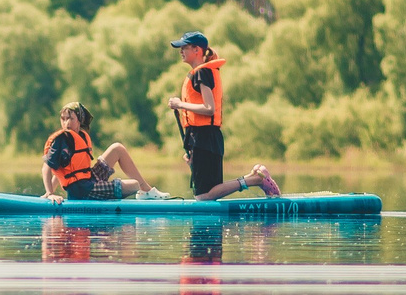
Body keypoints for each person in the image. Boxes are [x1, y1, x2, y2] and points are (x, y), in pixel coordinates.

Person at [165, 32, 282, 200]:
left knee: (204, 196)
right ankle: (253, 177)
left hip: (205, 138)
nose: (180, 51)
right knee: (205, 193)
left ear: (197, 50)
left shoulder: (202, 73)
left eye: (184, 47)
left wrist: (179, 104)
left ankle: (255, 179)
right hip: (201, 138)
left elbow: (209, 108)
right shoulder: (201, 72)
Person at [42, 104, 156, 200]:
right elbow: (46, 168)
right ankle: (103, 197)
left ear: (79, 120)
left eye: (70, 118)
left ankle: (147, 191)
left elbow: (65, 170)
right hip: (82, 190)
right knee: (134, 185)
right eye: (63, 119)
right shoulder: (61, 139)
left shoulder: (81, 136)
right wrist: (50, 193)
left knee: (117, 148)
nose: (66, 123)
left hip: (89, 179)